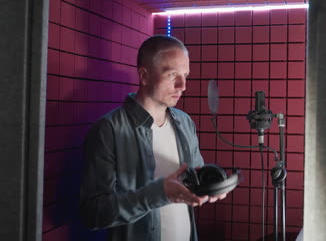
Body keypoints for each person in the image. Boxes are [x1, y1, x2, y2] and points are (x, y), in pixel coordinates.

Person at [80, 35, 226, 241]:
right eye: (172, 74)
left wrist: (211, 186)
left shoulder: (185, 123)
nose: (182, 85)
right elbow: (93, 213)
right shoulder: (108, 129)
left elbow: (195, 178)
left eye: (185, 75)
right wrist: (159, 194)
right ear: (144, 75)